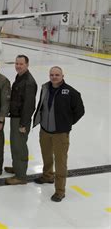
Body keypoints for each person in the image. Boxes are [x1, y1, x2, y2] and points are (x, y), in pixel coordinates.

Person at [33, 66, 85, 202]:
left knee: (60, 162)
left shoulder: (71, 92)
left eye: (57, 75)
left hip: (60, 134)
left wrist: (67, 123)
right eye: (52, 74)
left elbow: (80, 111)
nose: (54, 77)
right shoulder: (45, 88)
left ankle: (60, 191)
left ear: (62, 76)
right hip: (45, 130)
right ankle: (47, 176)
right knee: (46, 155)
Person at [5, 55, 37, 185]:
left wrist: (23, 123)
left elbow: (29, 105)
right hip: (15, 117)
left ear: (27, 65)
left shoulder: (28, 82)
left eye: (21, 64)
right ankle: (17, 168)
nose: (18, 66)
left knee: (20, 147)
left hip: (21, 120)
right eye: (16, 63)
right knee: (14, 144)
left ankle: (21, 176)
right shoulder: (20, 77)